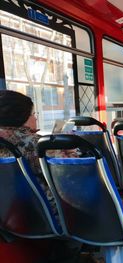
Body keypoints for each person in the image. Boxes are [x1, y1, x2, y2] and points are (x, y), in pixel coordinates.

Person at [0, 90, 82, 262]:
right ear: (20, 116)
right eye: (32, 113)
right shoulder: (35, 144)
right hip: (45, 217)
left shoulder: (11, 141)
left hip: (7, 216)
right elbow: (71, 175)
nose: (35, 118)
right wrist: (71, 150)